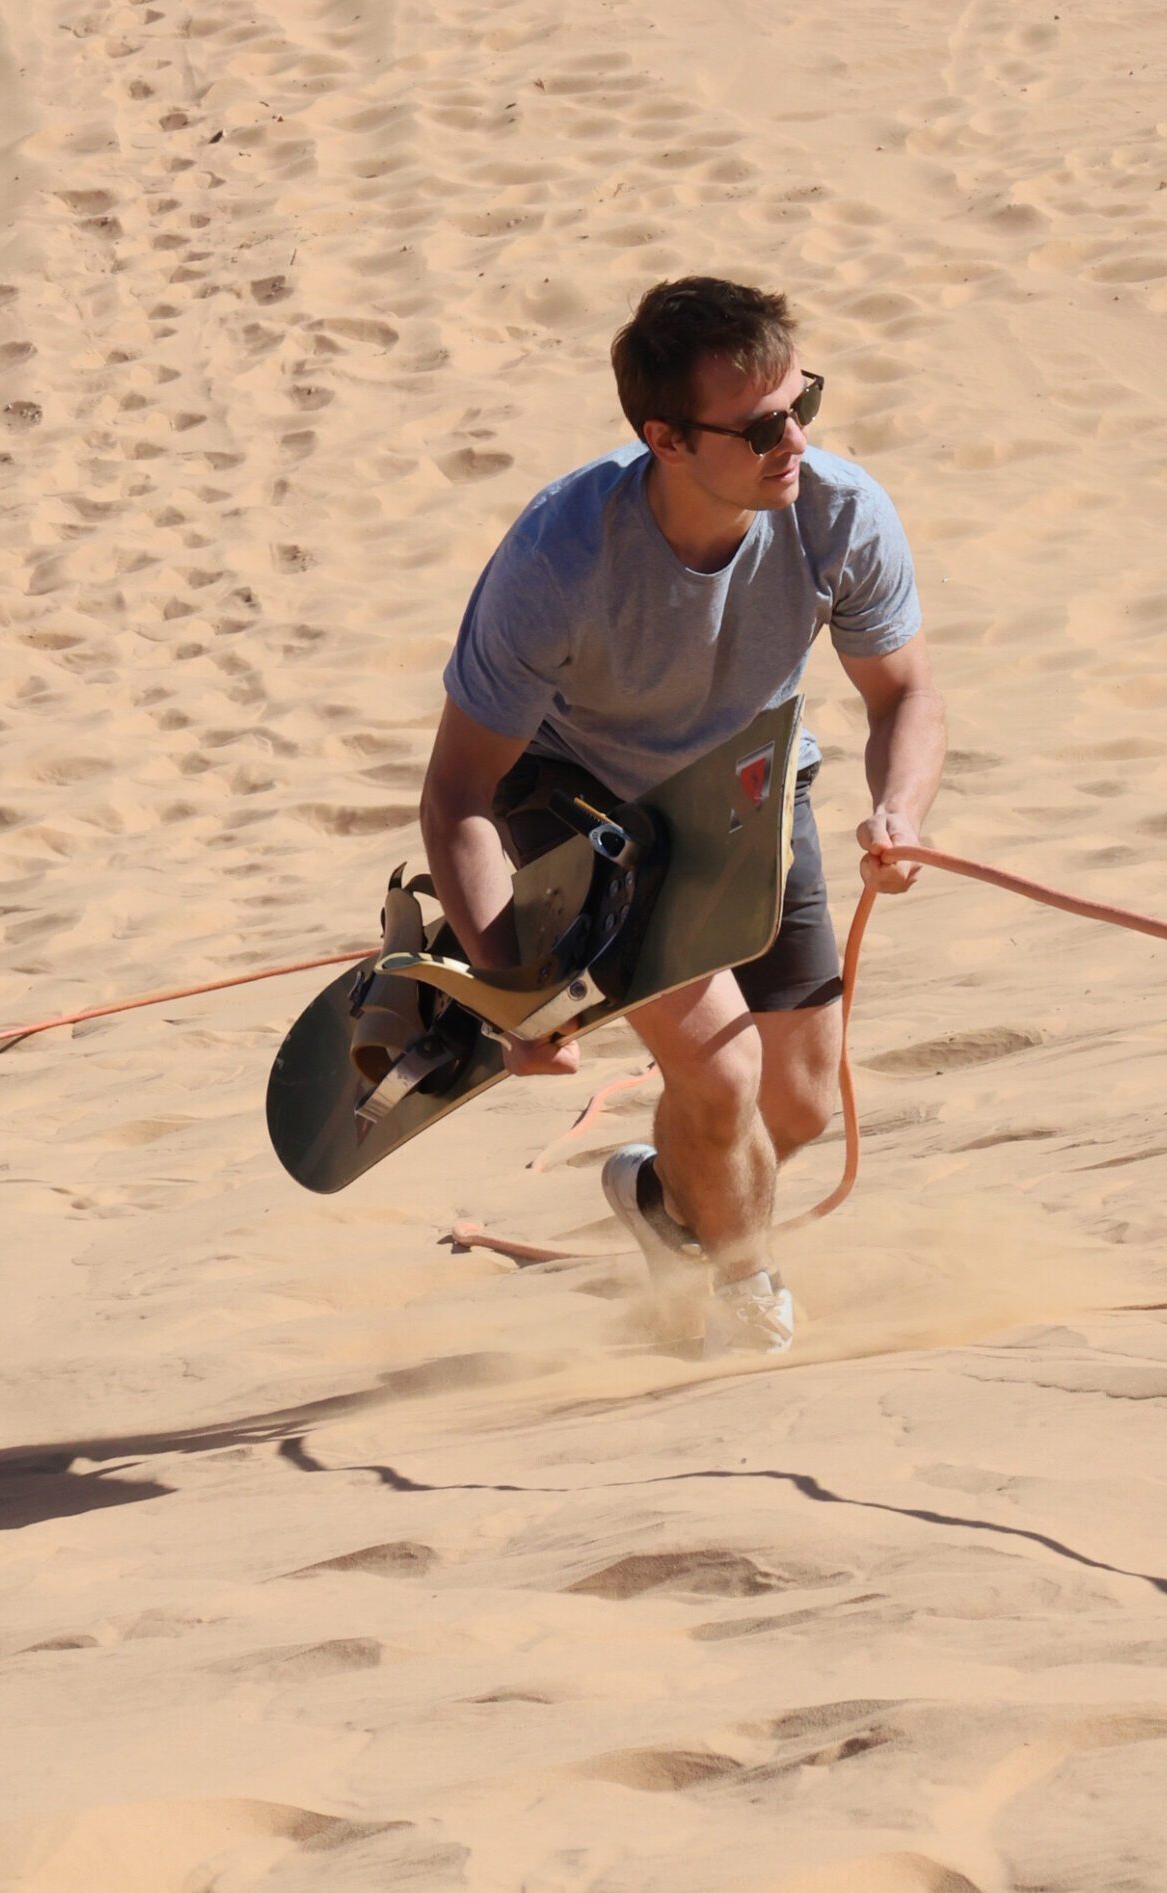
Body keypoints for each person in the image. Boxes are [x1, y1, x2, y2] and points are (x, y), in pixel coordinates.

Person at [418, 276, 946, 1356]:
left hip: (746, 784)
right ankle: (744, 1298)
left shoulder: (839, 512)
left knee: (794, 1106)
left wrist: (899, 809)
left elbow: (903, 696)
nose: (790, 439)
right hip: (579, 791)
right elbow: (457, 791)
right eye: (756, 427)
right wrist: (515, 986)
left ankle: (665, 1204)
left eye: (802, 403)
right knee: (721, 1067)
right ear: (664, 438)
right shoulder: (560, 561)